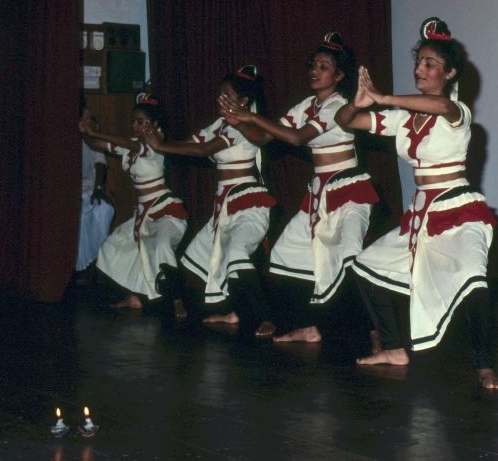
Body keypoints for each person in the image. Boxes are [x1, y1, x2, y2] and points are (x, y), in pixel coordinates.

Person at [343, 19, 498, 390]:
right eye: (418, 61)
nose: (420, 68)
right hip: (421, 214)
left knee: (474, 280)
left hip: (458, 210)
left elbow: (440, 105)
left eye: (430, 63)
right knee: (366, 266)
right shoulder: (403, 117)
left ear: (449, 73)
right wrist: (357, 102)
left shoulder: (456, 112)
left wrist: (383, 98)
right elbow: (347, 121)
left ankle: (484, 365)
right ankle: (393, 347)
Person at [218, 33, 379, 344]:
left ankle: (378, 333)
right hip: (319, 192)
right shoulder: (306, 104)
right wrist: (237, 121)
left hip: (349, 191)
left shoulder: (338, 104)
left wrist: (250, 115)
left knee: (349, 258)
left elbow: (297, 138)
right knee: (287, 253)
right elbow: (264, 138)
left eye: (324, 66)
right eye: (313, 64)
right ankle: (310, 325)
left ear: (340, 75)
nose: (315, 70)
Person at [141, 66, 276, 337]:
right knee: (196, 260)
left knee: (237, 255)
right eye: (219, 95)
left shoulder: (245, 127)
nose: (219, 99)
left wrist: (161, 147)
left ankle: (267, 318)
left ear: (243, 102)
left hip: (248, 204)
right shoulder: (219, 124)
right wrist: (160, 141)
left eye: (227, 96)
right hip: (225, 205)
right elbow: (193, 142)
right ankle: (233, 310)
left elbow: (204, 150)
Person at [80, 93, 189, 310]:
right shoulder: (130, 146)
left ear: (154, 124)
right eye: (133, 122)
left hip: (164, 210)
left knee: (160, 247)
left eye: (141, 122)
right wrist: (85, 129)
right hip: (144, 212)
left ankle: (178, 299)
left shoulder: (156, 144)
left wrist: (96, 131)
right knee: (115, 247)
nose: (135, 126)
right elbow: (98, 143)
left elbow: (124, 143)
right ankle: (135, 297)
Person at [75, 99, 114, 283]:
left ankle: (100, 263)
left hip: (90, 189)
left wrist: (99, 189)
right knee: (81, 216)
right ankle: (80, 267)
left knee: (103, 210)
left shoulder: (91, 135)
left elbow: (100, 164)